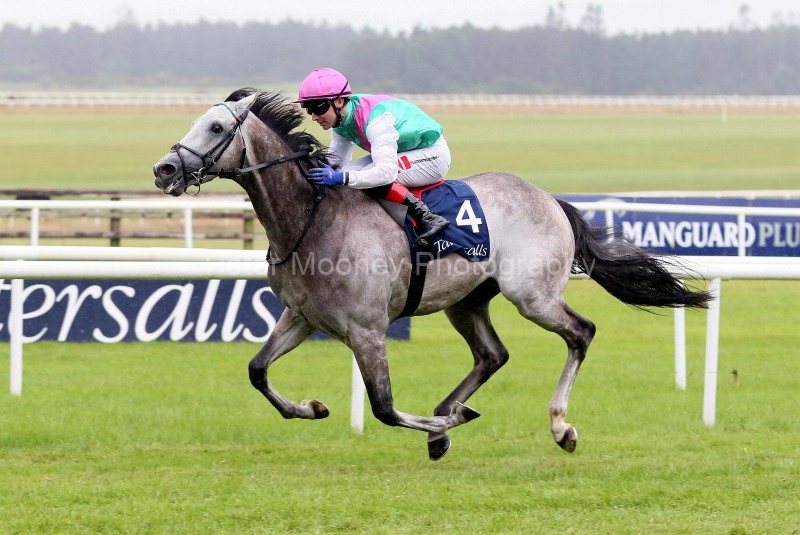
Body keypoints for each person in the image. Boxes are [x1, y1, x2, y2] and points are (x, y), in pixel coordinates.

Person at [295, 67, 450, 245]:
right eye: (309, 110)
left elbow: (385, 173)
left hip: (432, 155)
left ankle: (427, 217)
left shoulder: (376, 120)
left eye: (318, 108)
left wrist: (341, 177)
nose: (314, 117)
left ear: (339, 101)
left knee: (365, 177)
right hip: (404, 152)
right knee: (351, 173)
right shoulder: (340, 121)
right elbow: (336, 162)